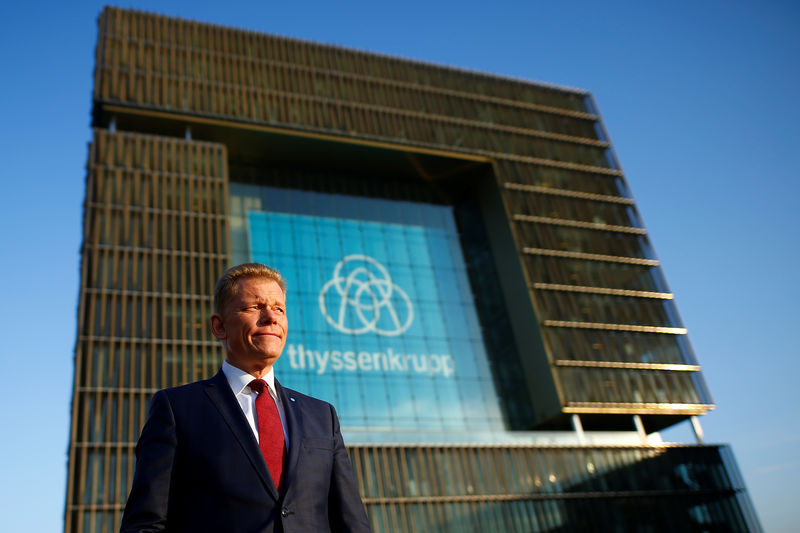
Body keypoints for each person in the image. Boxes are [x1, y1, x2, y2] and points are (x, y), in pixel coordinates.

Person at [120, 263, 372, 532]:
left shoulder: (323, 415)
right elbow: (146, 523)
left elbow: (352, 522)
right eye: (254, 307)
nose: (271, 317)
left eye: (279, 309)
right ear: (219, 327)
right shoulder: (176, 409)